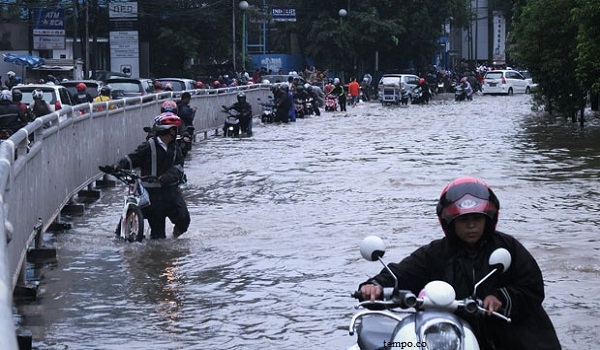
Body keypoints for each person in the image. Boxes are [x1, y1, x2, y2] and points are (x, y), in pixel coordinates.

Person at [358, 177, 562, 350]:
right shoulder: (435, 253)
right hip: (455, 336)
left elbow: (533, 287)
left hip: (512, 336)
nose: (471, 225)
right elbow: (402, 273)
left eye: (477, 218)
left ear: (488, 220)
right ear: (450, 222)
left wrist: (501, 298)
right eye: (464, 220)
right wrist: (374, 286)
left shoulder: (507, 248)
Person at [109, 113, 190, 240]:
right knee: (158, 236)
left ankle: (175, 239)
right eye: (174, 129)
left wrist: (167, 177)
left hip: (171, 193)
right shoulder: (148, 146)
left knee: (184, 219)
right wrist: (118, 166)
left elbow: (178, 168)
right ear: (169, 131)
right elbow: (133, 158)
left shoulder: (176, 149)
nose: (177, 132)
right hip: (153, 195)